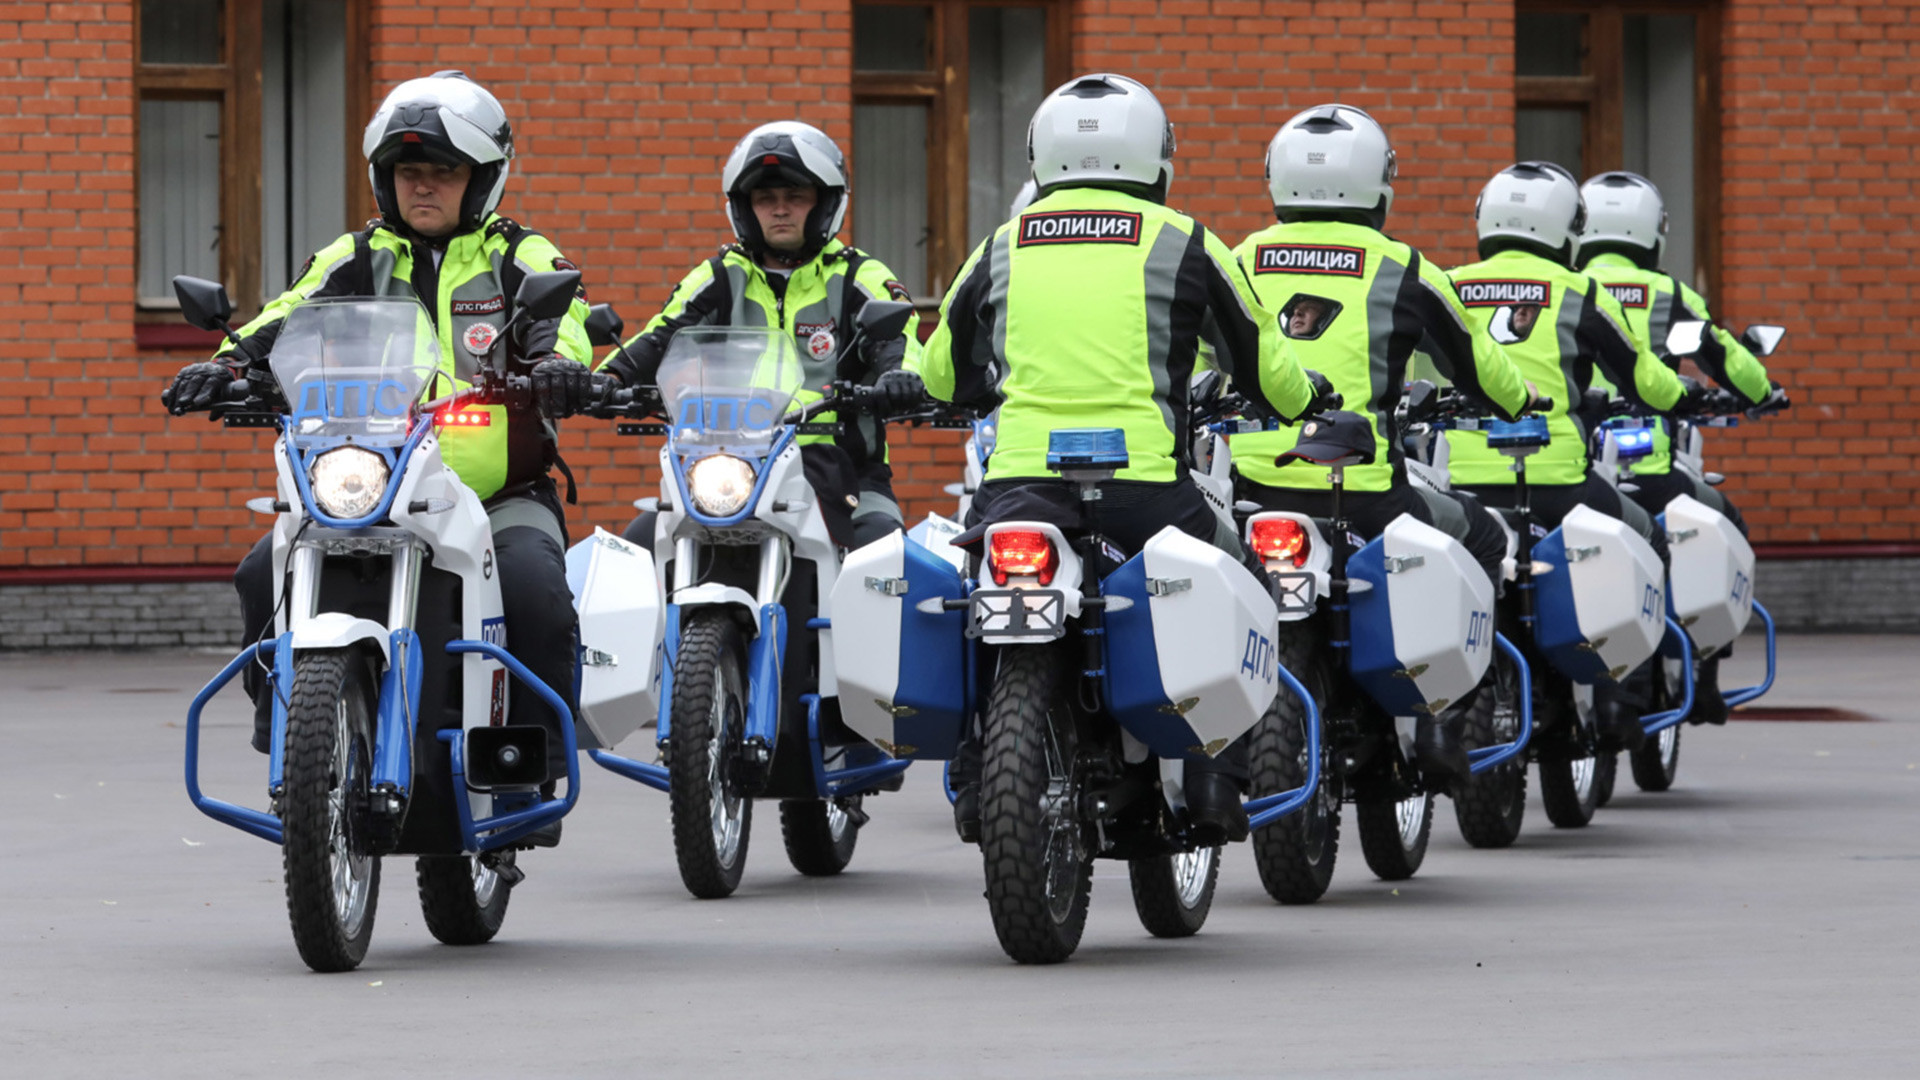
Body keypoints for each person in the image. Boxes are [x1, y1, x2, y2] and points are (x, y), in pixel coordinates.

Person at [912, 73, 1333, 845]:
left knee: (974, 597)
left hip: (1022, 485)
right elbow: (1265, 367)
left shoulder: (1003, 244)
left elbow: (943, 375)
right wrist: (1305, 398)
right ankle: (1214, 776)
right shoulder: (1183, 239)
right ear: (1157, 155)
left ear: (1042, 155)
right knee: (1237, 572)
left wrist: (977, 383)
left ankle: (978, 768)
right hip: (1145, 487)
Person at [163, 72, 592, 829]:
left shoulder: (520, 254)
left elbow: (569, 312)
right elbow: (284, 317)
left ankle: (534, 766)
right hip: (373, 481)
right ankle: (290, 741)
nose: (423, 187)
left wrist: (560, 365)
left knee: (537, 591)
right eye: (409, 172)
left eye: (443, 172)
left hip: (499, 493)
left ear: (481, 179)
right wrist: (227, 366)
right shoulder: (354, 257)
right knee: (262, 571)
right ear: (385, 179)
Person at [1228, 104, 1542, 784]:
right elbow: (1475, 360)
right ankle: (1444, 716)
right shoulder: (1402, 267)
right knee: (1485, 537)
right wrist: (1519, 400)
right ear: (1377, 183)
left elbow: (1192, 355)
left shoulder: (1240, 257)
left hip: (1252, 491)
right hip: (1365, 496)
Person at [1445, 161, 1698, 750]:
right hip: (1558, 484)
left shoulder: (1452, 284)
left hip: (1465, 483)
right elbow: (1642, 376)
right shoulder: (1577, 290)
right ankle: (1620, 701)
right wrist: (1678, 394)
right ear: (1566, 229)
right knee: (1646, 541)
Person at [595, 121, 922, 550]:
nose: (780, 209)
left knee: (884, 554)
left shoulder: (860, 275)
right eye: (765, 199)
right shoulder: (719, 276)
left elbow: (900, 340)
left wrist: (900, 376)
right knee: (637, 548)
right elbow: (661, 336)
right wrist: (607, 379)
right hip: (726, 466)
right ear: (746, 208)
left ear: (824, 204)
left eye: (796, 196)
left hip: (843, 468)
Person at [1577, 170, 1785, 723]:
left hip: (1573, 465)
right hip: (1647, 467)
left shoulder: (1567, 286)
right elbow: (1723, 355)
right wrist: (1765, 392)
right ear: (1651, 233)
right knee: (1726, 523)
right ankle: (1707, 671)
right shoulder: (1668, 294)